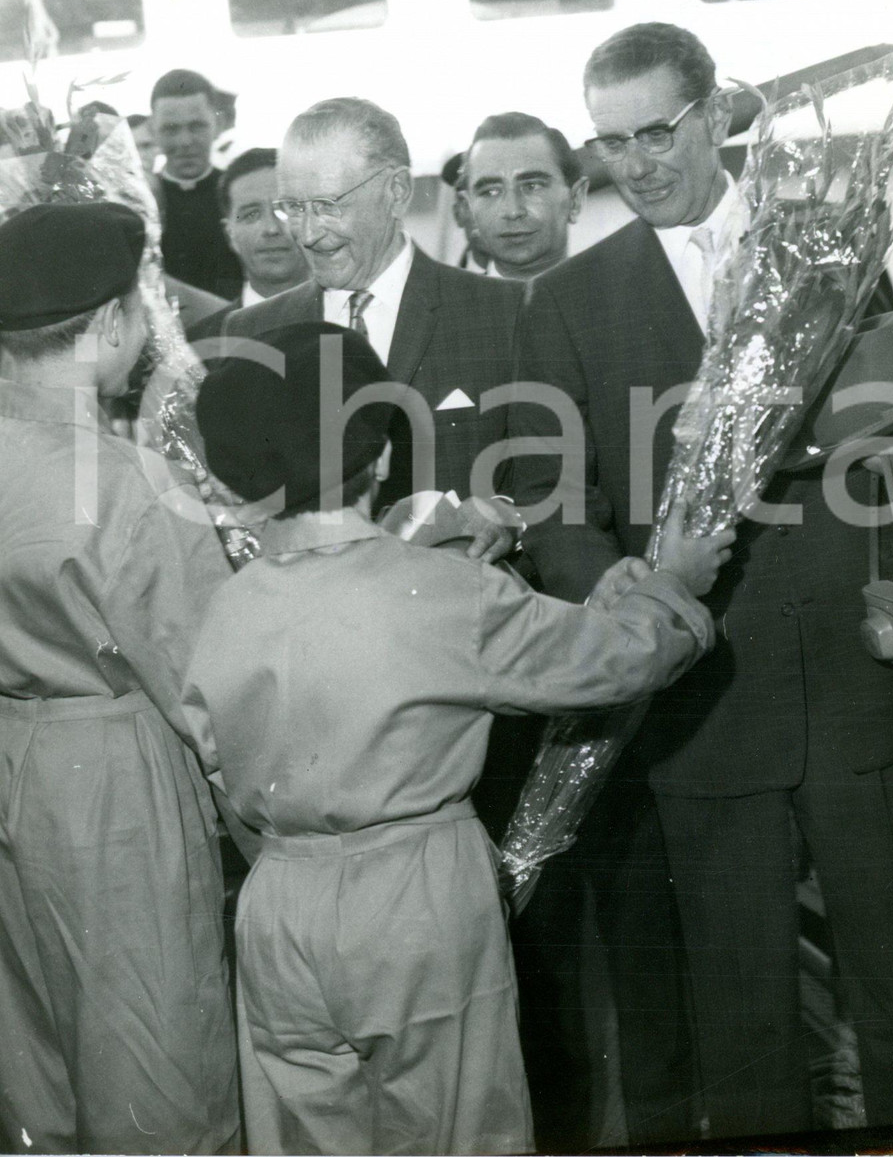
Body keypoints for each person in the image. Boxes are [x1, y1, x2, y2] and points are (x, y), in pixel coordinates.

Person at [505, 21, 893, 1143]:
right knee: (743, 1022)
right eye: (610, 143)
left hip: (858, 685)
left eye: (657, 131)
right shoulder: (565, 301)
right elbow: (558, 512)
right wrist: (635, 614)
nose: (636, 162)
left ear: (714, 115)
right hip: (700, 715)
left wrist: (879, 441)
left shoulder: (836, 240)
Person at [180, 319, 733, 1157]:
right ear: (379, 459)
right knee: (460, 1131)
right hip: (415, 900)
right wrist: (671, 586)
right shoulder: (441, 592)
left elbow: (216, 755)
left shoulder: (225, 605)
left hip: (278, 906)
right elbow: (611, 663)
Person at [0, 203, 238, 1155]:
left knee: (35, 1064)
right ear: (107, 326)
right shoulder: (130, 482)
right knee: (157, 1063)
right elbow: (212, 684)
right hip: (114, 775)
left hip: (15, 752)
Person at [223, 98, 523, 524]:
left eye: (328, 206)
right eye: (293, 207)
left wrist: (505, 517)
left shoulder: (504, 316)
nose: (306, 234)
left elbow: (550, 480)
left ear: (397, 192)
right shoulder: (256, 332)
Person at [188, 148, 311, 340]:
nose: (271, 229)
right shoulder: (201, 344)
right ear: (230, 234)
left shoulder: (355, 321)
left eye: (284, 210)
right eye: (251, 215)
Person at [150, 68, 243, 299]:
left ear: (217, 124)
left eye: (197, 126)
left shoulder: (240, 192)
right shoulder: (141, 198)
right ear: (154, 130)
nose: (185, 141)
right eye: (171, 129)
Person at [461, 112, 586, 280]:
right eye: (491, 192)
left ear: (575, 200)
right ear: (469, 207)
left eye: (531, 186)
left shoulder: (621, 301)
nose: (512, 211)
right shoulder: (452, 305)